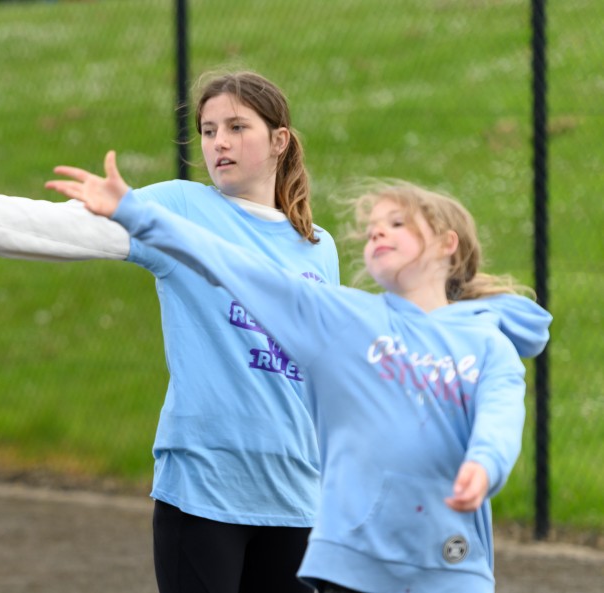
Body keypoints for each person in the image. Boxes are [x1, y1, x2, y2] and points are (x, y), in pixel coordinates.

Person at [0, 71, 336, 593]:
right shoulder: (182, 210)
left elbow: (320, 374)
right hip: (206, 489)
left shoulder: (316, 245)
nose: (220, 142)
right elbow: (57, 227)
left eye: (237, 126)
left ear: (279, 140)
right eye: (209, 130)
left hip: (295, 496)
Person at [64, 151, 551, 592]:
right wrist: (136, 211)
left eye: (397, 222)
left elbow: (501, 415)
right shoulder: (344, 320)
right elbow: (233, 265)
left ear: (448, 244)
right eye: (372, 226)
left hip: (452, 562)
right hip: (355, 565)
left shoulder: (486, 341)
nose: (377, 231)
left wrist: (484, 463)